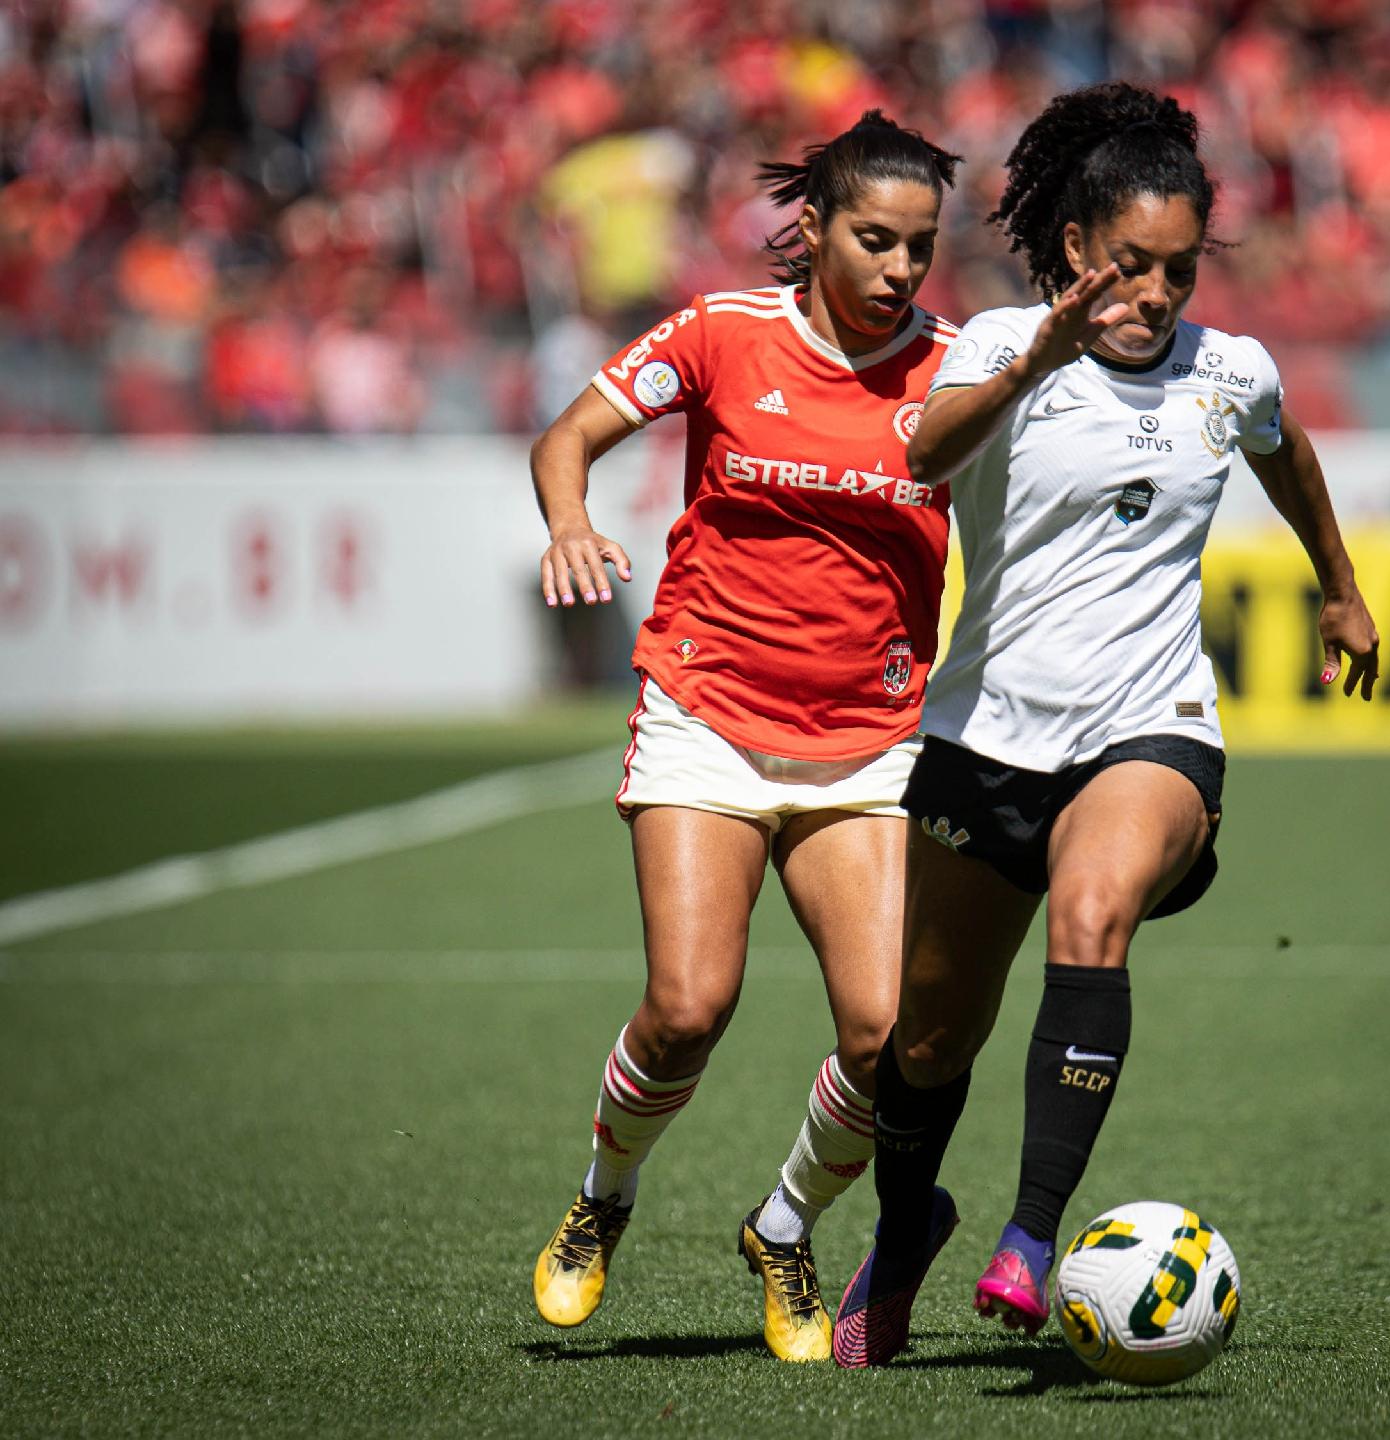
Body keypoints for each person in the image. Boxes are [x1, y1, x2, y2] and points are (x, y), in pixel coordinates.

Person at [830, 83, 1381, 1368]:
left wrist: (1341, 587)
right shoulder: (993, 348)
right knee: (924, 1040)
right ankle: (905, 1235)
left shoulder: (1230, 370)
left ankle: (1030, 1237)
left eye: (1180, 271)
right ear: (1076, 249)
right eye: (1131, 265)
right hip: (987, 737)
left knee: (1093, 917)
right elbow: (923, 456)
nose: (1157, 293)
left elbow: (1285, 453)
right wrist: (1045, 353)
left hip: (1155, 723)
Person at [526, 111, 961, 1364]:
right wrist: (568, 520)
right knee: (686, 1007)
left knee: (889, 1040)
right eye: (874, 239)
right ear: (815, 228)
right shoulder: (722, 332)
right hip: (707, 714)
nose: (896, 269)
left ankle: (783, 1224)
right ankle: (604, 1199)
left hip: (870, 741)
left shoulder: (954, 367)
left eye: (919, 249)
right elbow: (572, 437)